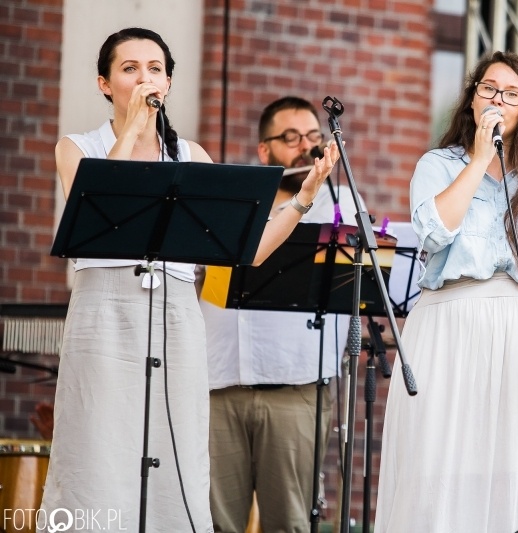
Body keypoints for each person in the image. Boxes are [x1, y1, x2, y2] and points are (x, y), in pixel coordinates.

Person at [40, 29, 336, 532]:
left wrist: (304, 195)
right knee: (98, 446)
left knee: (172, 456)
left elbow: (250, 249)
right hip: (105, 313)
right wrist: (131, 129)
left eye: (155, 68)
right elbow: (102, 207)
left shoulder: (191, 156)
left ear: (169, 82)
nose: (144, 78)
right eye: (130, 68)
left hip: (176, 318)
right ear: (104, 83)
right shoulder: (76, 148)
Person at [374, 51, 518, 532]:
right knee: (438, 469)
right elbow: (433, 232)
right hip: (448, 328)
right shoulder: (437, 164)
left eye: (512, 93)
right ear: (473, 98)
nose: (499, 98)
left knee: (517, 476)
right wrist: (478, 159)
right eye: (488, 88)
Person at [200, 96, 359, 533]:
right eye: (290, 138)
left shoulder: (342, 206)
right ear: (264, 151)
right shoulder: (233, 203)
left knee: (290, 522)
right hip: (221, 383)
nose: (305, 147)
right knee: (214, 521)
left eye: (313, 137)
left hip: (299, 387)